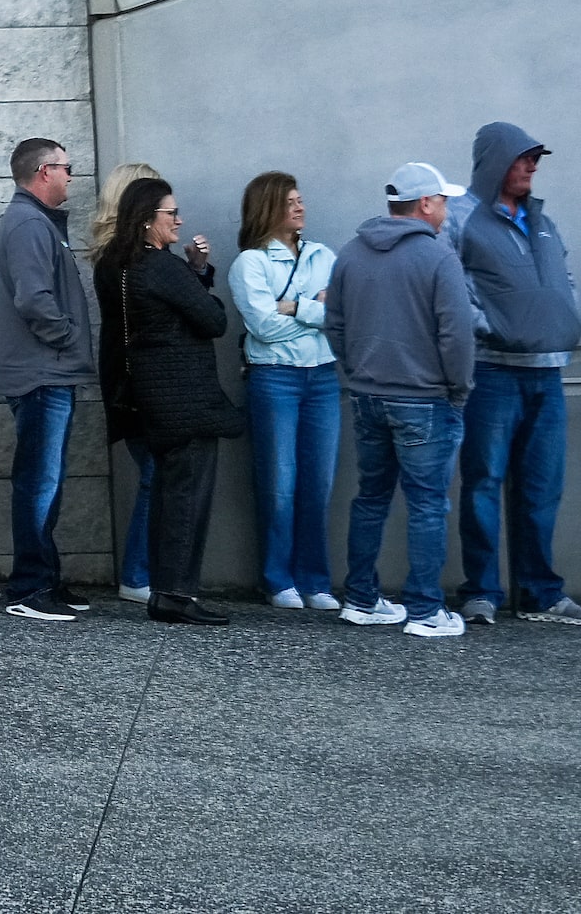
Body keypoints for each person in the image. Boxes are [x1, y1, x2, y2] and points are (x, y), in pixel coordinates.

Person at [329, 163, 478, 637]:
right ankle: (425, 610)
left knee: (370, 498)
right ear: (425, 204)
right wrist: (458, 389)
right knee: (428, 504)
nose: (447, 210)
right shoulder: (438, 258)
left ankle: (360, 598)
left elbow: (335, 324)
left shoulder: (351, 254)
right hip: (425, 399)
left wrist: (356, 373)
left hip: (368, 394)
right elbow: (457, 336)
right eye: (444, 201)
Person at [96, 176, 241, 625]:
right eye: (170, 213)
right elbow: (213, 319)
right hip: (184, 400)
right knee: (186, 497)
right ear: (146, 219)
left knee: (167, 493)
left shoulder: (112, 265)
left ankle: (167, 590)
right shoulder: (161, 266)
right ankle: (176, 594)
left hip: (144, 396)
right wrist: (197, 271)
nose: (179, 220)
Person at [453, 121, 581, 626]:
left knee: (542, 486)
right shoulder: (461, 217)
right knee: (484, 480)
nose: (531, 167)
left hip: (547, 373)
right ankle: (480, 590)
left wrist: (564, 325)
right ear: (495, 161)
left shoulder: (542, 220)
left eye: (535, 159)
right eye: (522, 157)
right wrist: (490, 329)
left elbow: (562, 279)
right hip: (494, 372)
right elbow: (449, 283)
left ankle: (540, 593)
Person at [0, 137, 93, 620]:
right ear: (44, 171)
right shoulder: (29, 223)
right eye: (67, 168)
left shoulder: (35, 222)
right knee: (39, 482)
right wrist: (67, 339)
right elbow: (33, 299)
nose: (71, 176)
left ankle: (44, 577)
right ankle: (28, 589)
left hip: (46, 370)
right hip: (42, 372)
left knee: (45, 480)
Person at [225, 171, 340, 610]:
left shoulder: (323, 255)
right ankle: (277, 580)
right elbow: (263, 325)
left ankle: (316, 581)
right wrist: (316, 308)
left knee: (319, 482)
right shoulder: (250, 263)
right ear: (268, 207)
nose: (300, 206)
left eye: (301, 199)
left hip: (324, 378)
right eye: (290, 201)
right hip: (274, 377)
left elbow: (341, 313)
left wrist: (295, 305)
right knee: (279, 481)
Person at [89, 159, 173, 604]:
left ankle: (143, 571)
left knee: (157, 473)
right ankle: (138, 573)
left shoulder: (123, 256)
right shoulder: (122, 260)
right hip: (133, 380)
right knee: (155, 473)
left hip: (129, 376)